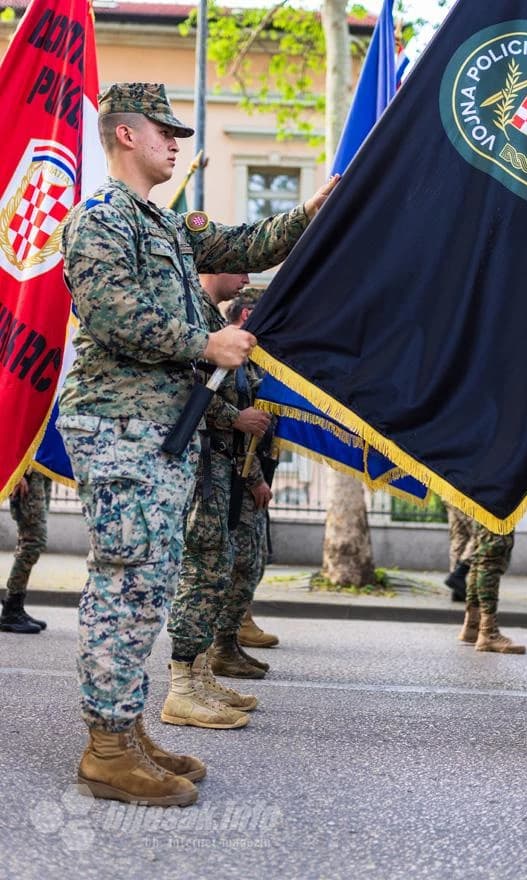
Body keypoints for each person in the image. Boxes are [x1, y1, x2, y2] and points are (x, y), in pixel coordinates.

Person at [56, 81, 338, 807]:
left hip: (158, 431)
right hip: (119, 424)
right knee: (126, 582)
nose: (176, 141)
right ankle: (107, 748)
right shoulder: (100, 219)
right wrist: (204, 342)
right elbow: (111, 312)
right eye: (163, 130)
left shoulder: (170, 226)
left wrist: (312, 212)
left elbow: (246, 245)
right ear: (125, 135)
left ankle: (125, 726)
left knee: (149, 584)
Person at [162, 280, 274, 724]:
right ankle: (181, 689)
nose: (246, 279)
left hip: (224, 469)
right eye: (241, 269)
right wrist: (237, 418)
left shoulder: (208, 320)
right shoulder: (195, 321)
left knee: (217, 569)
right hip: (203, 469)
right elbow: (183, 393)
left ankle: (200, 673)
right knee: (203, 570)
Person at [211, 290, 280, 680]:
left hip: (246, 476)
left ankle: (227, 643)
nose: (244, 277)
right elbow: (225, 415)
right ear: (251, 314)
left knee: (249, 563)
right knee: (234, 566)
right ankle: (215, 649)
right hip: (231, 479)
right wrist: (253, 477)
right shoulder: (228, 356)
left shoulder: (251, 361)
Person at [457, 523, 525, 653]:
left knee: (481, 554)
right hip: (495, 507)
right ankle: (488, 633)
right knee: (492, 554)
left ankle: (473, 624)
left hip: (484, 504)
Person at [0, 469, 51, 634]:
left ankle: (16, 605)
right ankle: (11, 609)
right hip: (26, 471)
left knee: (30, 539)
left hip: (41, 468)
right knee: (33, 540)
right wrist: (17, 473)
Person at [444, 505, 474, 602]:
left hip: (451, 493)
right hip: (465, 495)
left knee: (459, 538)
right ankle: (459, 574)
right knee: (482, 534)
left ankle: (457, 590)